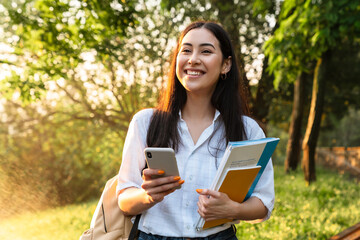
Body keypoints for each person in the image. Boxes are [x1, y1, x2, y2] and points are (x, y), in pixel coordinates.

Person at [116, 21, 275, 239]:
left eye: (206, 51)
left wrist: (233, 209)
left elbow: (264, 201)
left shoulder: (248, 130)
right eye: (186, 50)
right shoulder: (145, 122)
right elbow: (124, 199)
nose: (193, 59)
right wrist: (147, 196)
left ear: (226, 65)